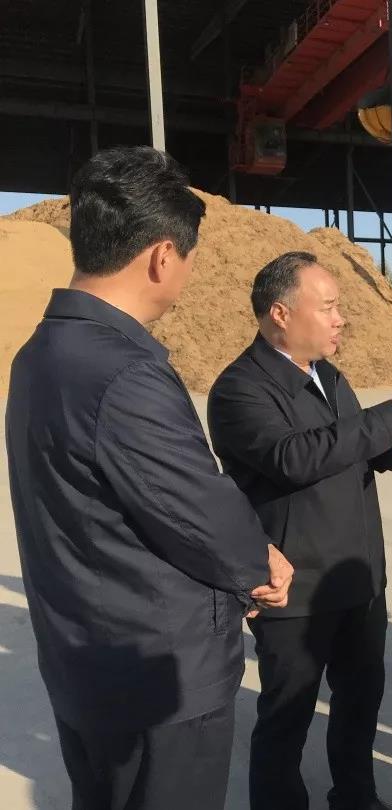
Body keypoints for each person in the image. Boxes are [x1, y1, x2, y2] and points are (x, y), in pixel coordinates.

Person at [5, 146, 293, 810]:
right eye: (189, 260)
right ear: (163, 255)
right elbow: (199, 508)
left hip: (82, 658)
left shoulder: (40, 353)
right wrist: (259, 562)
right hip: (157, 676)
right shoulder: (125, 371)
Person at [207, 251, 392, 810]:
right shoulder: (240, 389)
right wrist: (387, 417)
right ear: (281, 314)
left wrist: (390, 454)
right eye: (327, 307)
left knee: (360, 702)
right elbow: (294, 458)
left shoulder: (327, 375)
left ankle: (356, 796)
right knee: (287, 718)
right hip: (297, 589)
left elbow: (343, 448)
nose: (339, 319)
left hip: (357, 577)